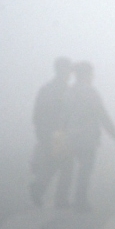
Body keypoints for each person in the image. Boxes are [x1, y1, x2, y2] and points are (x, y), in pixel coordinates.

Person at [56, 61, 115, 212]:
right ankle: (80, 200)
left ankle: (60, 199)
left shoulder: (69, 92)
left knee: (67, 168)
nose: (93, 76)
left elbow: (63, 116)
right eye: (92, 73)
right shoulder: (91, 92)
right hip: (86, 137)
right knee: (85, 169)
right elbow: (102, 115)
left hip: (69, 136)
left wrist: (61, 134)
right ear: (86, 74)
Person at [29, 57, 72, 207]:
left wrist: (40, 132)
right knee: (66, 165)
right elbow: (67, 113)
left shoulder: (46, 88)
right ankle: (58, 198)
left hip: (46, 131)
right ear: (64, 70)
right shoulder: (65, 90)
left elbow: (36, 113)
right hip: (59, 133)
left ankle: (39, 188)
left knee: (52, 163)